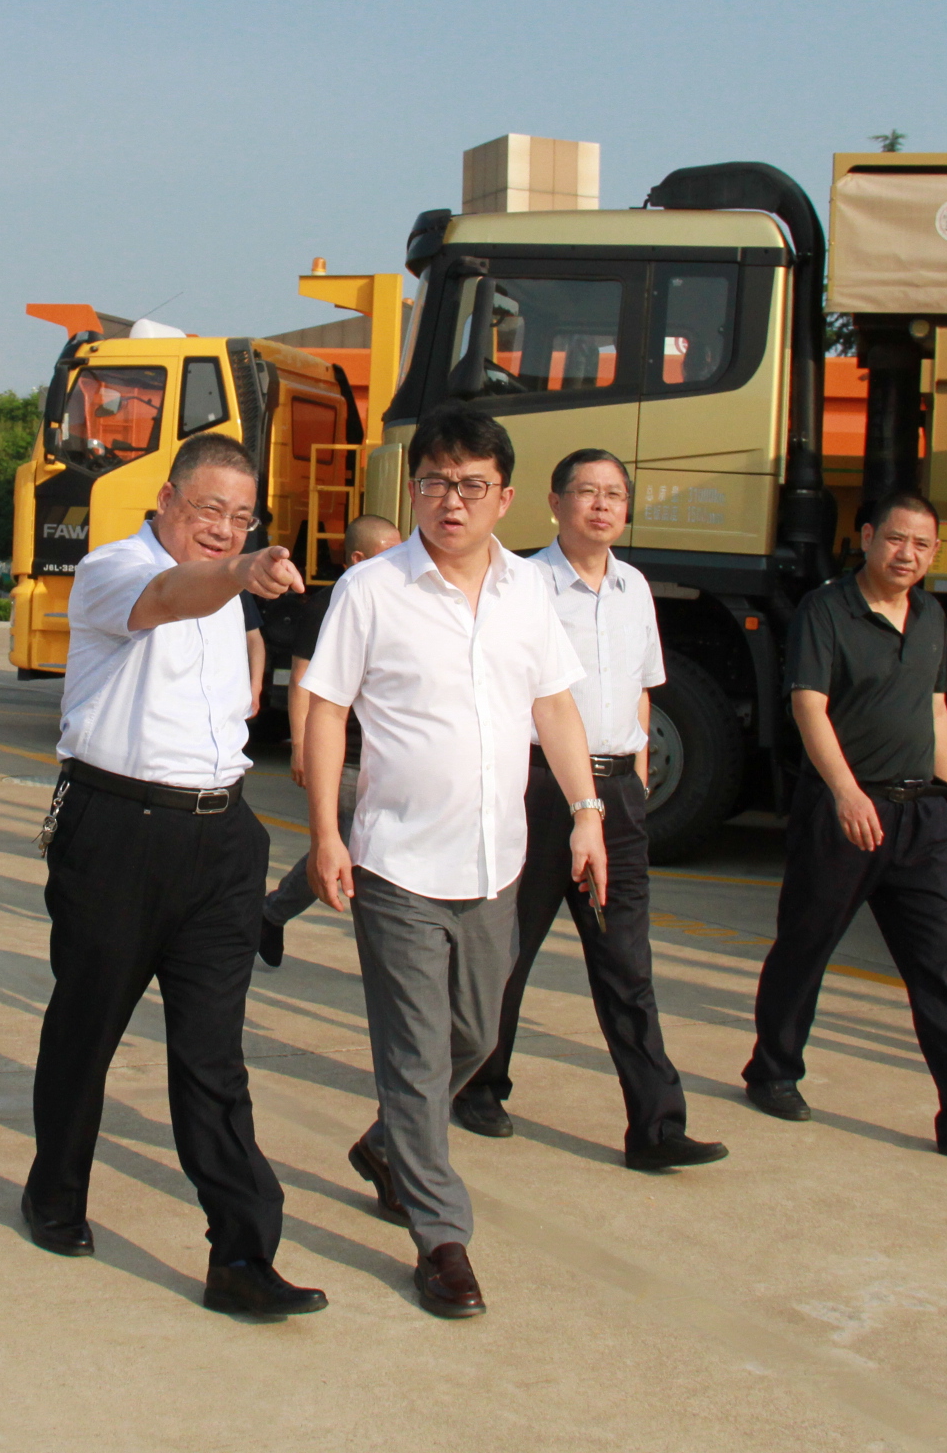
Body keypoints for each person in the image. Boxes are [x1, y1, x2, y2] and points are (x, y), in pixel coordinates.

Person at [302, 406, 608, 1319]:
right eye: (436, 482)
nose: (453, 501)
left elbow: (554, 707)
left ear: (505, 499)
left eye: (473, 485)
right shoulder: (372, 591)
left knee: (474, 1035)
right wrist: (326, 833)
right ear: (414, 490)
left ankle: (386, 1145)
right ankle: (442, 1239)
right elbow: (326, 709)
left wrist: (586, 812)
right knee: (414, 1053)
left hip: (494, 865)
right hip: (396, 863)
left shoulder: (529, 593)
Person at [23, 430, 327, 1319]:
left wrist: (241, 582)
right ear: (165, 500)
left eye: (242, 518)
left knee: (213, 1055)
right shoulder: (115, 569)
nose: (225, 529)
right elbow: (165, 598)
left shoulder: (231, 588)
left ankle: (242, 1254)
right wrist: (239, 572)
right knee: (87, 1029)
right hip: (119, 830)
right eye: (209, 510)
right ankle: (55, 1193)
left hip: (220, 839)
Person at [743, 490, 947, 1161]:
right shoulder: (827, 609)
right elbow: (808, 707)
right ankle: (773, 1071)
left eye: (922, 545)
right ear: (868, 538)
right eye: (896, 539)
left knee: (944, 968)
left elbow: (936, 710)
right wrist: (846, 794)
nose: (908, 554)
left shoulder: (930, 615)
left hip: (921, 819)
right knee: (805, 947)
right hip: (845, 813)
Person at [454, 449, 727, 1172]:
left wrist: (633, 783)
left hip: (616, 795)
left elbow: (643, 689)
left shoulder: (636, 589)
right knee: (509, 949)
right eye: (586, 492)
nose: (601, 505)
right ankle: (479, 1085)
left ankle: (657, 1127)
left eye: (615, 495)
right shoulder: (522, 584)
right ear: (555, 503)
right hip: (540, 789)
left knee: (626, 961)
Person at [254, 513, 402, 968]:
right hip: (348, 757)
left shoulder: (403, 602)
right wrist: (301, 745)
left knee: (362, 854)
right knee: (358, 857)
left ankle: (271, 914)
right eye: (388, 553)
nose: (399, 561)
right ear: (357, 558)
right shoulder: (326, 606)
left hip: (389, 755)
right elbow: (303, 681)